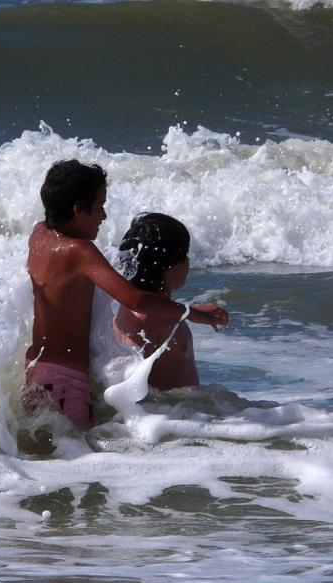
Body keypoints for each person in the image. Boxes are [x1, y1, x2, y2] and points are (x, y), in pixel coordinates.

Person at [24, 160, 228, 430]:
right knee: (76, 464)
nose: (104, 216)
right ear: (77, 209)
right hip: (65, 380)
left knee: (53, 452)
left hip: (37, 367)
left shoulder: (40, 233)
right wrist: (194, 313)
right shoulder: (79, 251)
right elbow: (135, 299)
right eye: (99, 207)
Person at [113, 213, 216, 391]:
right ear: (167, 265)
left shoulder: (127, 310)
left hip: (165, 415)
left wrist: (193, 311)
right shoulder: (158, 321)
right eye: (184, 255)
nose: (188, 261)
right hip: (174, 414)